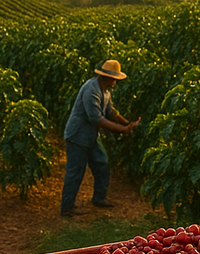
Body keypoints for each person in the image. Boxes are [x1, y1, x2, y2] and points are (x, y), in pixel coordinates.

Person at [60, 60, 140, 217]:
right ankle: (67, 207)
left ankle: (99, 198)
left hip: (91, 136)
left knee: (101, 163)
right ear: (107, 77)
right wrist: (123, 130)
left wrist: (127, 123)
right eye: (114, 78)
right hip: (77, 136)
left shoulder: (105, 91)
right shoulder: (91, 91)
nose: (116, 81)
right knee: (75, 171)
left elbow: (110, 112)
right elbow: (97, 119)